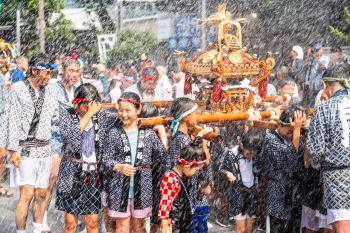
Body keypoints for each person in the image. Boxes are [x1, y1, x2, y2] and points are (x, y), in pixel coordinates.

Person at [5, 54, 58, 233]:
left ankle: (37, 228)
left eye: (51, 73)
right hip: (24, 148)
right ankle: (21, 231)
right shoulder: (18, 88)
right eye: (46, 73)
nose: (49, 76)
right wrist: (13, 150)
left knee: (42, 193)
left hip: (44, 148)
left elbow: (56, 116)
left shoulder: (50, 90)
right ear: (35, 71)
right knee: (27, 193)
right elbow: (11, 120)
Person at [102, 92, 166, 233]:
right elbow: (106, 159)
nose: (123, 114)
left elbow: (162, 156)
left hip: (142, 188)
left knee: (140, 227)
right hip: (119, 188)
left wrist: (161, 131)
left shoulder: (148, 134)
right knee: (121, 228)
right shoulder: (113, 132)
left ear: (138, 110)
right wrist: (118, 166)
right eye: (120, 110)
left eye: (128, 110)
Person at [55, 83, 103, 233]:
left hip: (92, 173)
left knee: (93, 222)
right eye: (86, 106)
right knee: (70, 223)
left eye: (92, 105)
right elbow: (72, 137)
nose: (89, 109)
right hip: (70, 172)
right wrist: (90, 114)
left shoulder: (102, 116)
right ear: (77, 103)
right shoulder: (66, 114)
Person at [307, 64, 350, 233]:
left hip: (336, 178)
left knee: (343, 228)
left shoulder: (323, 109)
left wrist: (317, 165)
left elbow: (316, 151)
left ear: (326, 84)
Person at [166, 97, 212, 233]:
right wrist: (201, 141)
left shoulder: (183, 137)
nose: (198, 116)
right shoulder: (182, 140)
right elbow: (192, 167)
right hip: (188, 197)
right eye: (195, 113)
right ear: (186, 117)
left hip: (190, 196)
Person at [260, 105, 306, 233]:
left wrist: (301, 129)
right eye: (289, 130)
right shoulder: (270, 139)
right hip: (277, 195)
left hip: (295, 196)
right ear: (280, 125)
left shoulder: (297, 137)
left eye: (294, 130)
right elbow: (289, 160)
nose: (292, 133)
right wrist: (296, 130)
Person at [158, 138, 206, 233]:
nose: (196, 173)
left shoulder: (182, 175)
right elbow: (165, 206)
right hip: (174, 225)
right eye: (196, 170)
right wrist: (165, 226)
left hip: (182, 222)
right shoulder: (171, 178)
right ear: (187, 166)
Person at [219, 130, 264, 233]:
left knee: (249, 228)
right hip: (237, 193)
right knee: (241, 229)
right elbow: (221, 169)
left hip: (252, 193)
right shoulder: (232, 153)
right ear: (242, 145)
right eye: (248, 153)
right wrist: (227, 173)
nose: (250, 156)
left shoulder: (256, 151)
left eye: (253, 154)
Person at [304, 43, 330, 107]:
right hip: (311, 84)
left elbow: (324, 67)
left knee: (319, 101)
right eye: (315, 50)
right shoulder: (312, 58)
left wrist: (318, 60)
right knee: (311, 102)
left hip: (320, 84)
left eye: (318, 50)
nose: (316, 52)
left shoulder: (325, 57)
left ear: (322, 49)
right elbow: (305, 66)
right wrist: (308, 55)